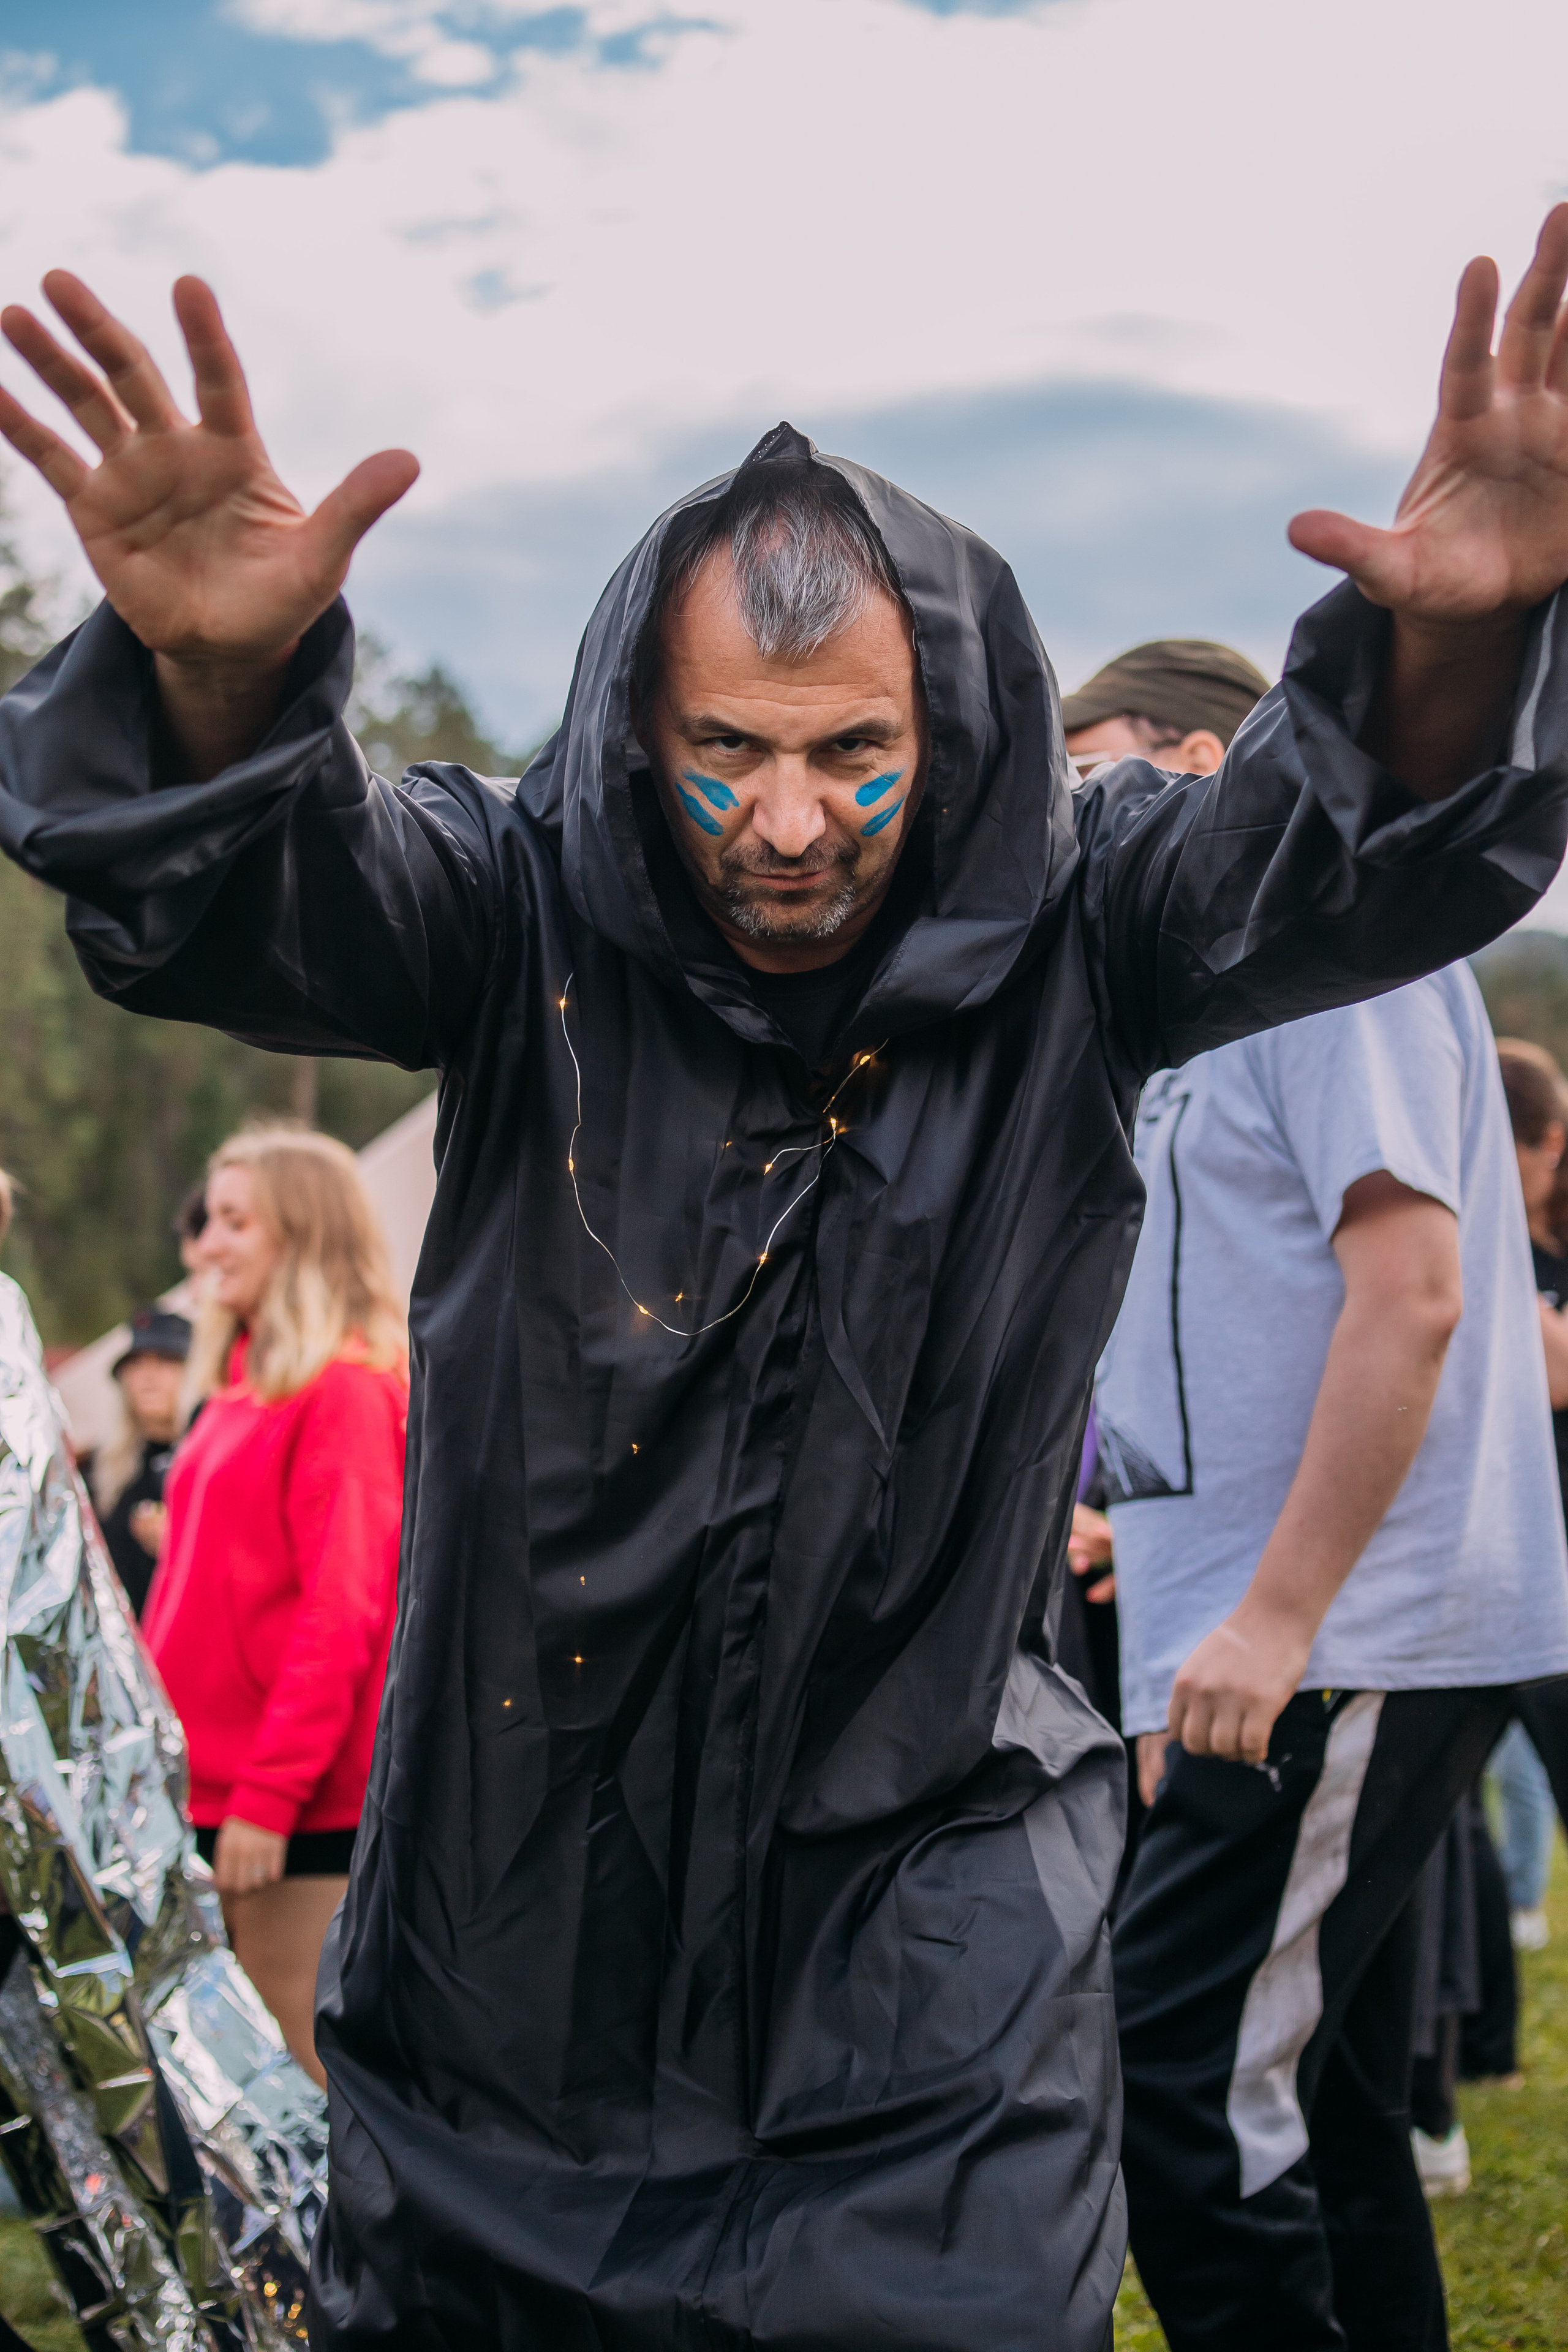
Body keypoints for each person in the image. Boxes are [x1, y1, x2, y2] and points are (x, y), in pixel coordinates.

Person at [0, 214, 1566, 2352]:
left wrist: (1458, 655)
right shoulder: (511, 904)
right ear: (638, 725)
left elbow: (1322, 857)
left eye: (857, 755)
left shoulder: (1086, 932)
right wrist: (212, 687)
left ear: (961, 724)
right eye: (724, 751)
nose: (793, 824)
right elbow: (250, 904)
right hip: (520, 1951)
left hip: (925, 1955)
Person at [1097, 963, 1568, 2351]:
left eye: (1140, 735)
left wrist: (1274, 1614)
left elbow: (1412, 1295)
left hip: (1340, 1634)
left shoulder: (1320, 959)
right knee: (1323, 2096)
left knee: (1174, 2069)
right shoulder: (1173, 997)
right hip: (1258, 1636)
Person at [142, 1126, 407, 2088]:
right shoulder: (240, 1385)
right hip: (203, 1790)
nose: (206, 1244)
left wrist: (270, 1796)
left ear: (303, 1232)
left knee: (296, 2078)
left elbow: (346, 1609)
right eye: (209, 1219)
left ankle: (349, 2249)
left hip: (291, 1808)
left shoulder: (344, 1386)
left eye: (233, 1222)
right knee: (224, 2087)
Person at [87, 1303, 190, 1616]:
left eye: (164, 1362)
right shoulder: (104, 1471)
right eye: (136, 1365)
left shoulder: (212, 1461)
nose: (147, 1376)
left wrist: (177, 1549)